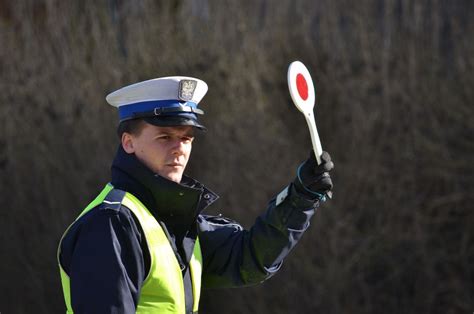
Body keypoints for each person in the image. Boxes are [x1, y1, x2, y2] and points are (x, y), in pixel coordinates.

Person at [57, 76, 334, 314]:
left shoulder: (172, 219)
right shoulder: (112, 223)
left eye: (187, 138)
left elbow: (250, 258)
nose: (179, 148)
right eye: (165, 137)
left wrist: (301, 195)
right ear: (128, 142)